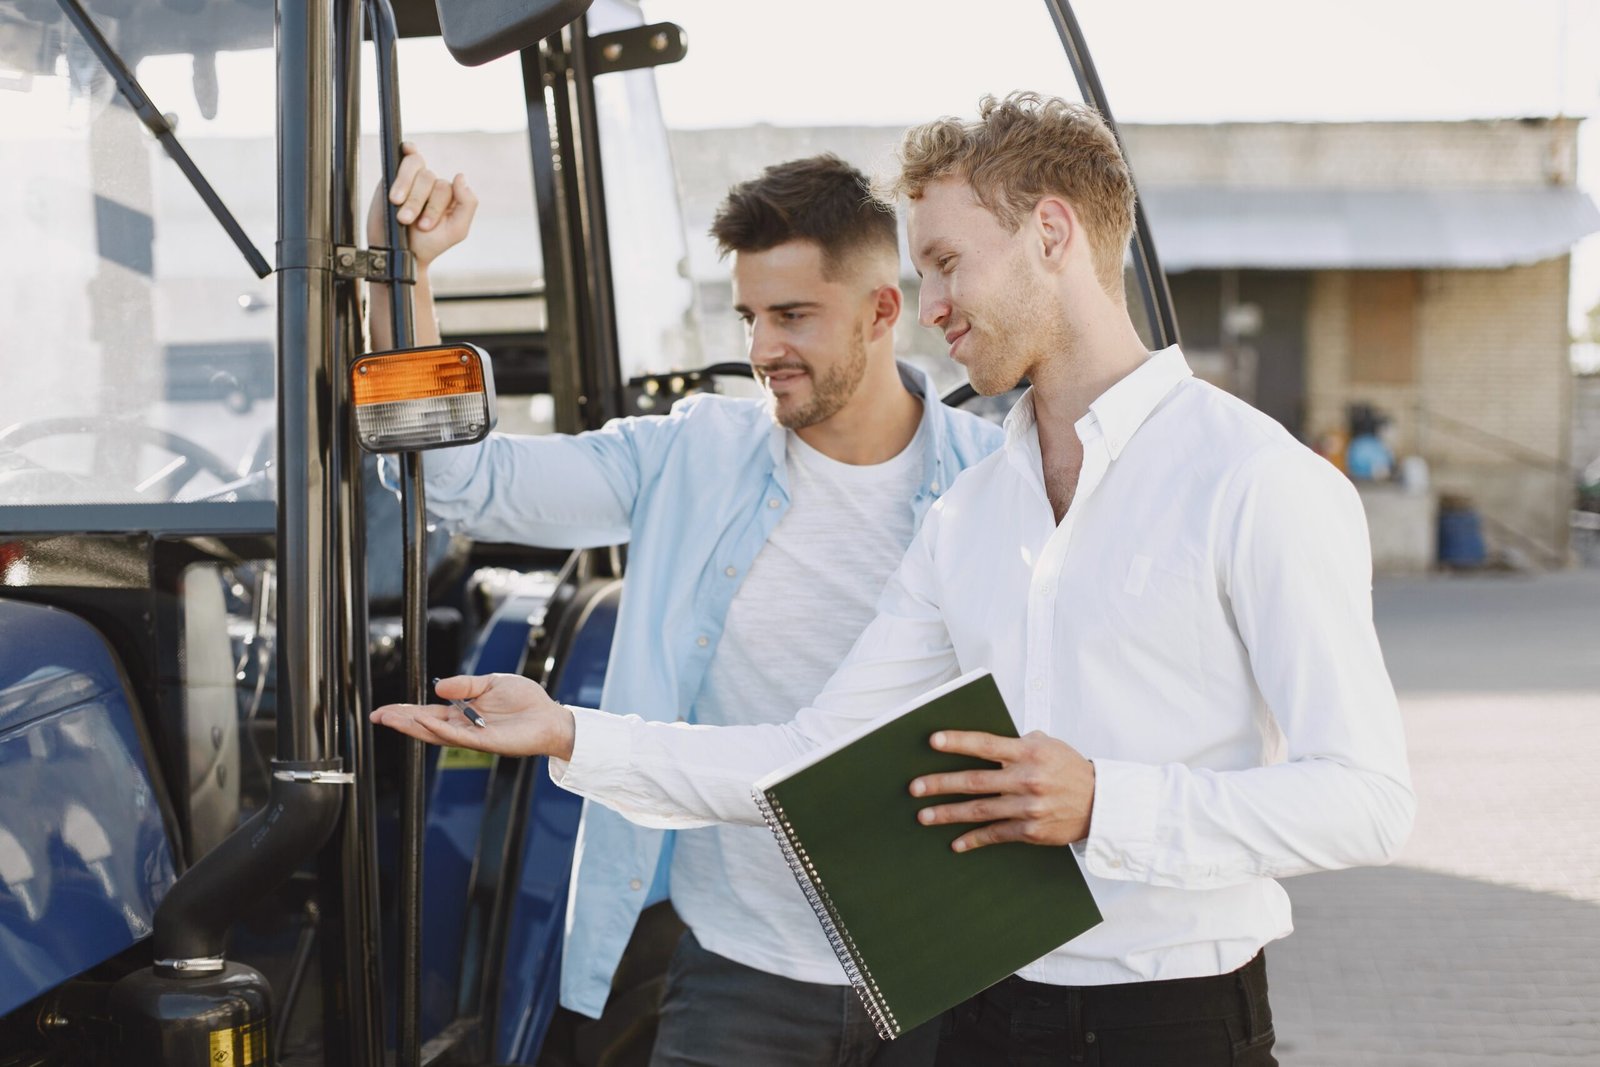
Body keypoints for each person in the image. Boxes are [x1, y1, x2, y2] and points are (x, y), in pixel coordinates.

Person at [374, 93, 1415, 1066]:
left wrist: (1106, 801)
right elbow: (810, 755)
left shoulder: (1253, 479)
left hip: (1165, 1012)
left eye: (949, 266)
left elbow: (1365, 800)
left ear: (1053, 236)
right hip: (970, 1002)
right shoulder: (976, 514)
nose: (932, 308)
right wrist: (567, 729)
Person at [368, 146, 1004, 1065]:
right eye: (748, 315)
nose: (761, 350)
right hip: (739, 970)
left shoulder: (993, 488)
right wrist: (409, 278)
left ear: (880, 310)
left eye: (792, 316)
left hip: (944, 968)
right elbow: (461, 485)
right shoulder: (690, 455)